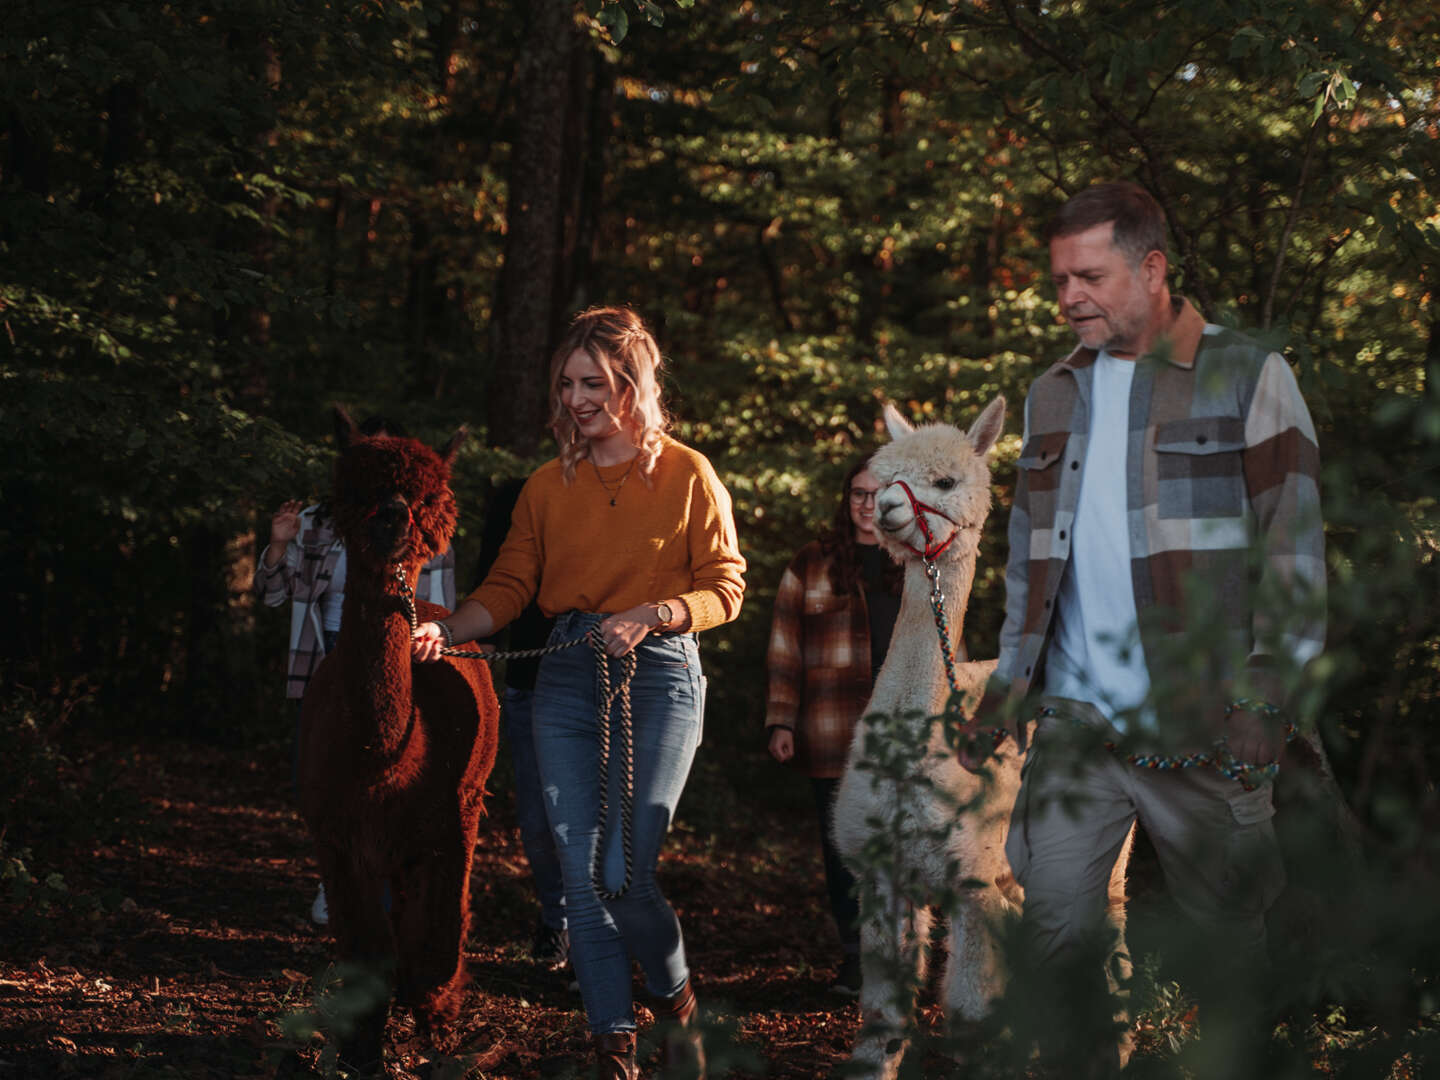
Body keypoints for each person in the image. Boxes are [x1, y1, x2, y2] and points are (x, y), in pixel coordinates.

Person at [960, 181, 1326, 1075]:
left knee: (1228, 948)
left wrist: (1266, 695)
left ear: (1152, 268)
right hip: (1080, 724)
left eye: (1090, 276)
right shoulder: (1051, 394)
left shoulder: (1247, 375)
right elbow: (1030, 558)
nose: (1069, 297)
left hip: (1204, 717)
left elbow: (1296, 549)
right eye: (1060, 281)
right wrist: (1008, 684)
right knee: (1053, 941)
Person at [411, 306, 745, 1080]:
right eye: (566, 384)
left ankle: (678, 1006)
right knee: (576, 865)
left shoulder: (689, 474)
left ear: (633, 385)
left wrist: (655, 613)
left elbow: (726, 588)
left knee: (624, 872)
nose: (576, 398)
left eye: (593, 382)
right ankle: (612, 1040)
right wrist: (449, 630)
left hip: (659, 671)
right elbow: (509, 586)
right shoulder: (545, 486)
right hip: (564, 669)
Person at [255, 414, 456, 925]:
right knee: (323, 778)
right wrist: (279, 544)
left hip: (398, 657)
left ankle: (390, 882)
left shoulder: (424, 520)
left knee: (395, 776)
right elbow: (274, 594)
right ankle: (337, 880)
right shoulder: (322, 522)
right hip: (327, 660)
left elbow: (440, 604)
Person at [764, 459, 902, 997]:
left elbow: (946, 640)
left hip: (904, 732)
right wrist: (781, 719)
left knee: (902, 846)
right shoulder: (811, 563)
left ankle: (898, 958)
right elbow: (783, 646)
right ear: (846, 501)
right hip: (830, 731)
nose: (868, 506)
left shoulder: (916, 558)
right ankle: (856, 958)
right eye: (858, 495)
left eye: (879, 494)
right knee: (845, 850)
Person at [473, 478, 567, 971]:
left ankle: (592, 936)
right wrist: (475, 640)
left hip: (614, 682)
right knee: (537, 822)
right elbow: (493, 574)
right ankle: (558, 918)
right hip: (531, 678)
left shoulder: (640, 490)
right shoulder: (520, 494)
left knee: (600, 823)